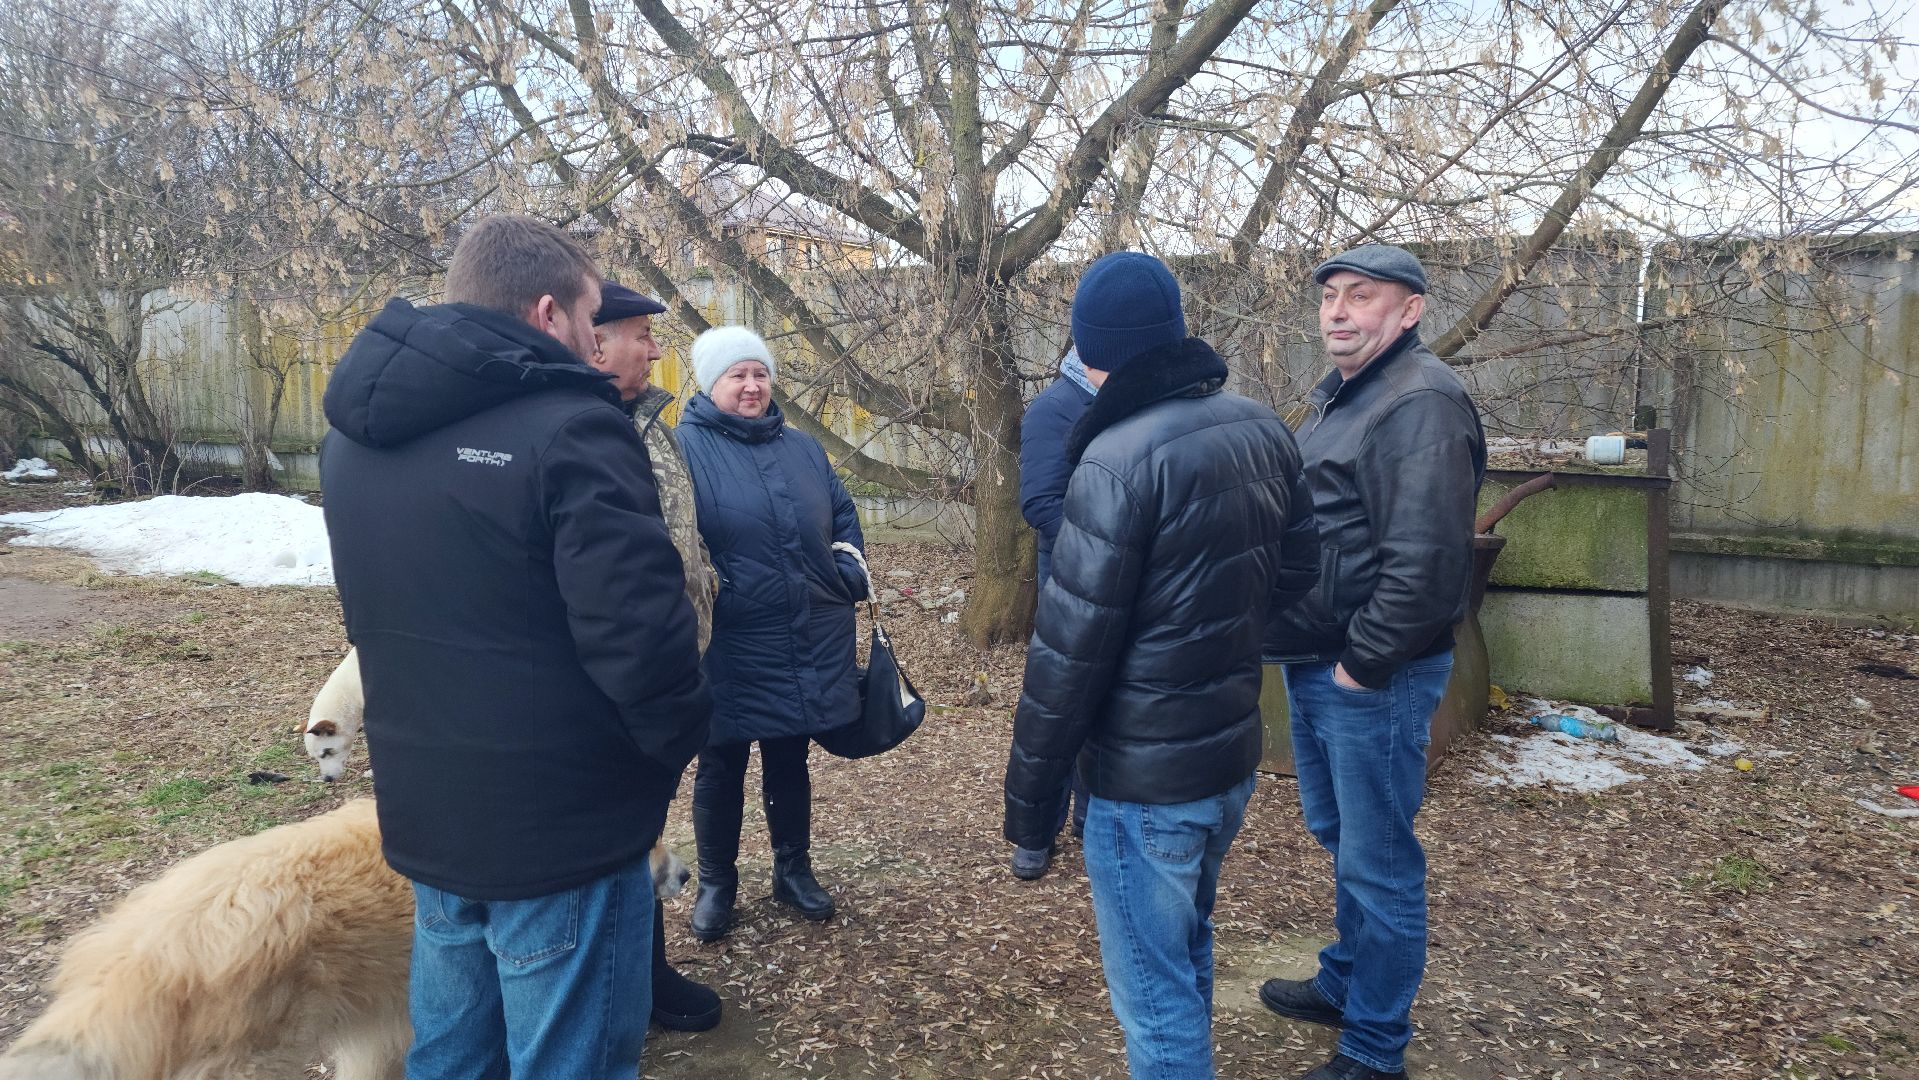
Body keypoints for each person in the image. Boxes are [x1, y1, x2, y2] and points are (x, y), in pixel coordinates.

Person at [320, 215, 710, 1077]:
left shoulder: (352, 440)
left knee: (453, 1054)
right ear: (547, 313)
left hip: (431, 812)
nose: (597, 340)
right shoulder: (574, 428)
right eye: (592, 317)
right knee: (570, 1061)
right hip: (562, 827)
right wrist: (669, 745)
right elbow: (641, 637)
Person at [1004, 252, 1320, 1079]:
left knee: (1155, 1001)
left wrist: (1029, 809)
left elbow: (1066, 659)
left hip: (1144, 786)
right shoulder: (1260, 428)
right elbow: (1298, 575)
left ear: (1091, 348)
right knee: (1185, 952)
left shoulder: (1113, 460)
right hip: (1226, 761)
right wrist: (1213, 639)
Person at [1258, 244, 1486, 1080]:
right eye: (1330, 296)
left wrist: (1360, 669)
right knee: (1344, 839)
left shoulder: (1418, 402)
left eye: (1361, 295)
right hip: (1320, 659)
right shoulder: (1349, 396)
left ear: (1409, 310)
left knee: (1379, 862)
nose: (1338, 311)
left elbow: (1425, 568)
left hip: (1369, 676)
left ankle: (1373, 1048)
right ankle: (1347, 981)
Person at [674, 325, 868, 941]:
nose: (752, 386)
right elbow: (675, 536)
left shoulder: (803, 448)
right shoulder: (683, 449)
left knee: (790, 755)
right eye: (738, 375)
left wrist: (845, 572)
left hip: (802, 630)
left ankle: (793, 870)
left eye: (760, 374)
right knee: (721, 761)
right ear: (712, 383)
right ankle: (716, 883)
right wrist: (712, 590)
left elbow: (843, 514)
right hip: (728, 638)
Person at [588, 281, 723, 1033]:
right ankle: (625, 982)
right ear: (595, 342)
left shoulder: (650, 421)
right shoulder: (582, 431)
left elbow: (678, 531)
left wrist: (709, 584)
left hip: (672, 662)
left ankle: (643, 970)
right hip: (621, 678)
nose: (654, 348)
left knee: (646, 825)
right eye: (640, 334)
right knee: (616, 834)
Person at [1010, 346, 1096, 879]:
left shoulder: (1132, 402)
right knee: (1056, 705)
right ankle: (1036, 832)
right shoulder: (1054, 408)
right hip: (1067, 578)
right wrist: (1111, 547)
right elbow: (1042, 504)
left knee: (1107, 702)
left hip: (1120, 581)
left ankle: (1090, 815)